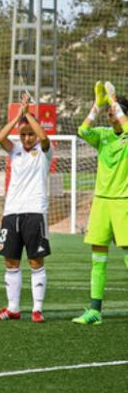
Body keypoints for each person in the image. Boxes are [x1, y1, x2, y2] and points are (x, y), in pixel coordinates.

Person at [0, 93, 52, 323]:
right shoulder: (14, 149)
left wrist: (28, 114)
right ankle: (13, 308)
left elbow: (44, 136)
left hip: (34, 211)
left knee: (35, 261)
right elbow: (0, 137)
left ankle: (37, 309)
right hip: (11, 213)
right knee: (10, 261)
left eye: (30, 134)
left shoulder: (45, 152)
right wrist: (19, 116)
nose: (27, 138)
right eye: (24, 134)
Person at [73, 81, 128, 325]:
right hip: (101, 203)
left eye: (112, 112)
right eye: (109, 113)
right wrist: (97, 105)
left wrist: (114, 100)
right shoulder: (103, 135)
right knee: (98, 258)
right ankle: (95, 310)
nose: (110, 116)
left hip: (123, 203)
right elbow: (82, 131)